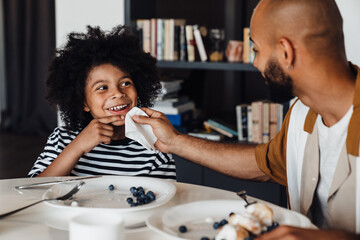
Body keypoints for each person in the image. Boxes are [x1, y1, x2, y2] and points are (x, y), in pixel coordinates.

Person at [132, 0, 360, 239]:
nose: (255, 62)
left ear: (285, 52)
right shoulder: (302, 111)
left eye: (257, 49)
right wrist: (174, 142)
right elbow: (265, 164)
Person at [28, 25, 176, 180]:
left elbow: (164, 199)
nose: (118, 93)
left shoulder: (156, 145)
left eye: (126, 83)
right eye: (102, 87)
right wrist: (76, 148)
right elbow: (34, 191)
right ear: (83, 102)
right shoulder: (62, 139)